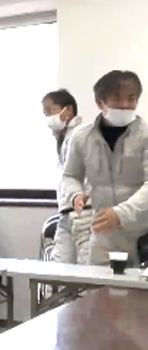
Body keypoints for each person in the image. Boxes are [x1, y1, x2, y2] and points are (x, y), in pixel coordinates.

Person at [62, 70, 148, 265]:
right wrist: (75, 194)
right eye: (117, 98)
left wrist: (121, 214)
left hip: (143, 231)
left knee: (140, 285)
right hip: (104, 232)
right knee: (98, 283)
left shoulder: (145, 135)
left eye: (131, 98)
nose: (125, 105)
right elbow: (70, 175)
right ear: (100, 103)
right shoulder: (82, 137)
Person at [42, 89, 91, 265]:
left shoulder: (83, 135)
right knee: (58, 266)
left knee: (87, 268)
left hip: (85, 211)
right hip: (66, 213)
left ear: (68, 110)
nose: (48, 117)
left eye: (50, 111)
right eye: (45, 113)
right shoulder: (65, 138)